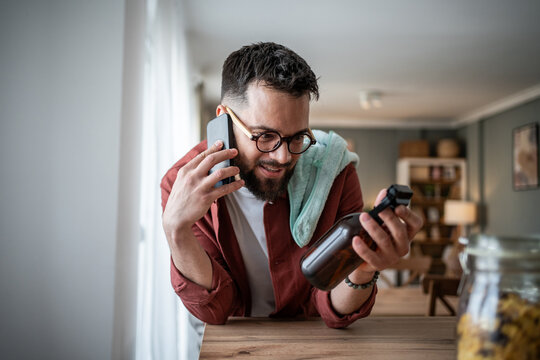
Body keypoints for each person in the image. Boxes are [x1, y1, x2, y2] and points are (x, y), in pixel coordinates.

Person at [161, 42, 423, 329]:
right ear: (224, 118)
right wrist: (177, 232)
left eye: (297, 137)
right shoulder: (182, 186)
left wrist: (363, 270)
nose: (283, 156)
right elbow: (217, 310)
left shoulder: (336, 173)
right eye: (264, 136)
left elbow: (329, 309)